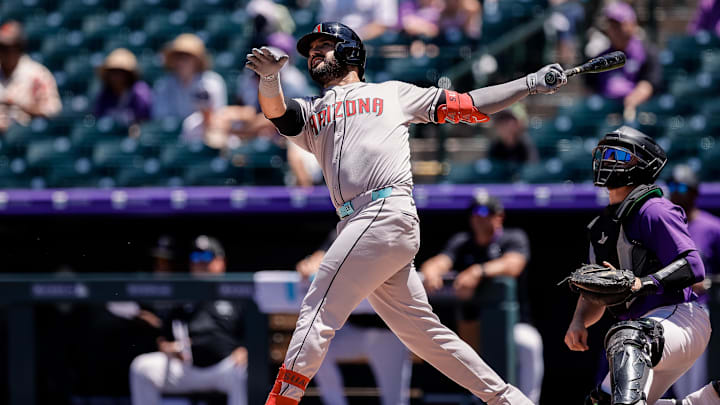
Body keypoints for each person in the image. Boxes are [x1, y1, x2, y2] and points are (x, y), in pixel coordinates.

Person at [245, 21, 568, 405]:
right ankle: (508, 399)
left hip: (383, 211)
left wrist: (528, 83)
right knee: (425, 335)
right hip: (362, 223)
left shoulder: (391, 93)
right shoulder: (314, 113)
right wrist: (269, 79)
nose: (314, 51)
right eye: (310, 47)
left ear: (350, 51)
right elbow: (278, 112)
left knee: (317, 309)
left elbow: (469, 105)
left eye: (324, 45)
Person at [563, 126, 720, 405]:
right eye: (603, 153)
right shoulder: (601, 226)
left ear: (643, 165)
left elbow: (693, 265)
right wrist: (578, 320)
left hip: (682, 319)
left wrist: (642, 282)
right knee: (602, 401)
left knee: (626, 337)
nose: (606, 160)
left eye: (616, 155)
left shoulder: (654, 208)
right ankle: (710, 399)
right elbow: (595, 290)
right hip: (644, 334)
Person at [420, 194, 544, 403]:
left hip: (513, 324)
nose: (478, 218)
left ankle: (529, 401)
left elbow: (514, 264)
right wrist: (431, 271)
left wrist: (478, 271)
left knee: (529, 343)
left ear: (499, 217)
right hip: (472, 325)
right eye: (474, 213)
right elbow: (438, 262)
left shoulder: (513, 238)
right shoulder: (462, 242)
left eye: (484, 212)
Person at [295, 229, 412, 405]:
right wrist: (310, 264)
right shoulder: (347, 228)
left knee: (394, 400)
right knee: (313, 344)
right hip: (354, 329)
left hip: (389, 331)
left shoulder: (394, 227)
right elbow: (319, 257)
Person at [129, 235, 248, 405]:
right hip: (187, 367)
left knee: (244, 372)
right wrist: (167, 348)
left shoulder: (236, 291)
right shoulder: (182, 293)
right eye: (195, 257)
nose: (200, 263)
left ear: (220, 261)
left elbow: (253, 330)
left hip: (224, 367)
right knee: (142, 367)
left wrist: (246, 349)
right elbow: (164, 336)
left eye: (206, 257)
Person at [667, 164, 720, 399]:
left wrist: (708, 281)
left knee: (696, 382)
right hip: (669, 309)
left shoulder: (712, 227)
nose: (675, 192)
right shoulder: (665, 224)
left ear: (694, 192)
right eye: (672, 186)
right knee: (674, 379)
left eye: (681, 187)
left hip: (701, 310)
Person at [584, 2, 661, 122]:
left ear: (633, 25)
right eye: (611, 25)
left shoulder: (646, 52)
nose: (615, 30)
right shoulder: (600, 57)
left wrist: (631, 102)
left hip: (635, 109)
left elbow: (650, 83)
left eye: (619, 25)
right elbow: (590, 88)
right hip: (605, 110)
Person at [0, 20, 61, 133]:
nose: (4, 52)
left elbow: (52, 110)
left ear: (20, 48)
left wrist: (19, 106)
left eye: (8, 47)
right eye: (1, 47)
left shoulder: (37, 74)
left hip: (25, 137)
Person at [152, 34, 227, 120]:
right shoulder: (163, 84)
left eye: (186, 57)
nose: (180, 62)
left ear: (197, 60)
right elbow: (159, 116)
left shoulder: (212, 83)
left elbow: (215, 117)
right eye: (177, 57)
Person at [94, 48, 153, 126]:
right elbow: (99, 118)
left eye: (120, 72)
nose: (115, 76)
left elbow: (144, 121)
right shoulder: (105, 95)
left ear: (128, 74)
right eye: (112, 72)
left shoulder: (140, 93)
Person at [318, 0, 398, 41]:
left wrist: (354, 37)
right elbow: (326, 23)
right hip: (336, 40)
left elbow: (383, 24)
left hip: (370, 43)